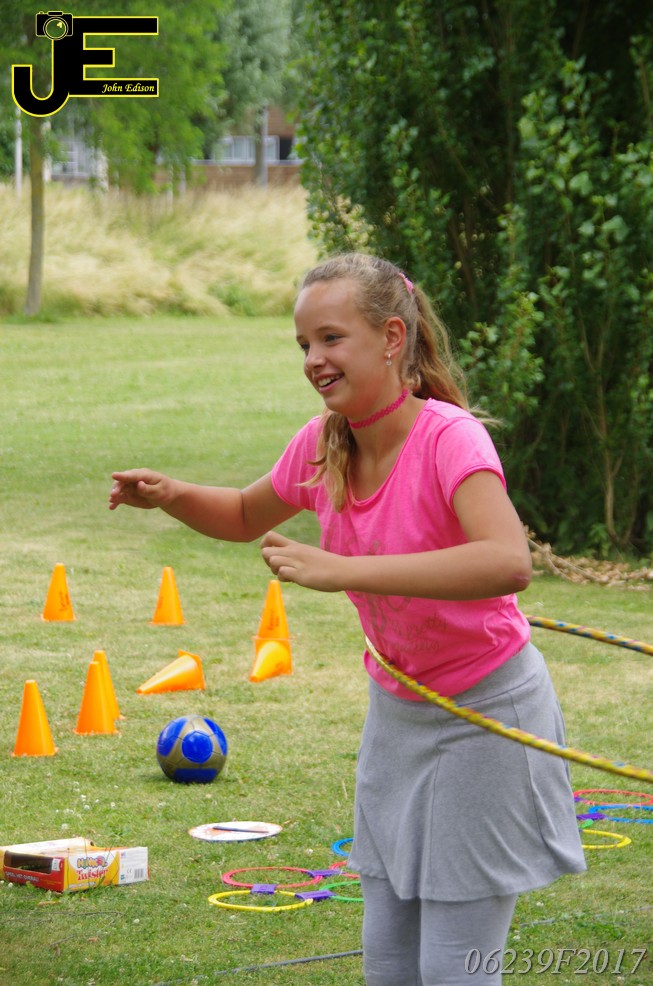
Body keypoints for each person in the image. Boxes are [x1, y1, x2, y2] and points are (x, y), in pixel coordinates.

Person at [109, 253, 586, 985]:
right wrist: (172, 494)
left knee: (453, 969)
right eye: (304, 343)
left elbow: (506, 561)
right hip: (398, 713)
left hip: (487, 713)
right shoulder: (323, 442)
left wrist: (344, 570)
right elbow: (243, 514)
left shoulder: (448, 438)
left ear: (392, 338)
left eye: (331, 338)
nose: (313, 359)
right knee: (388, 962)